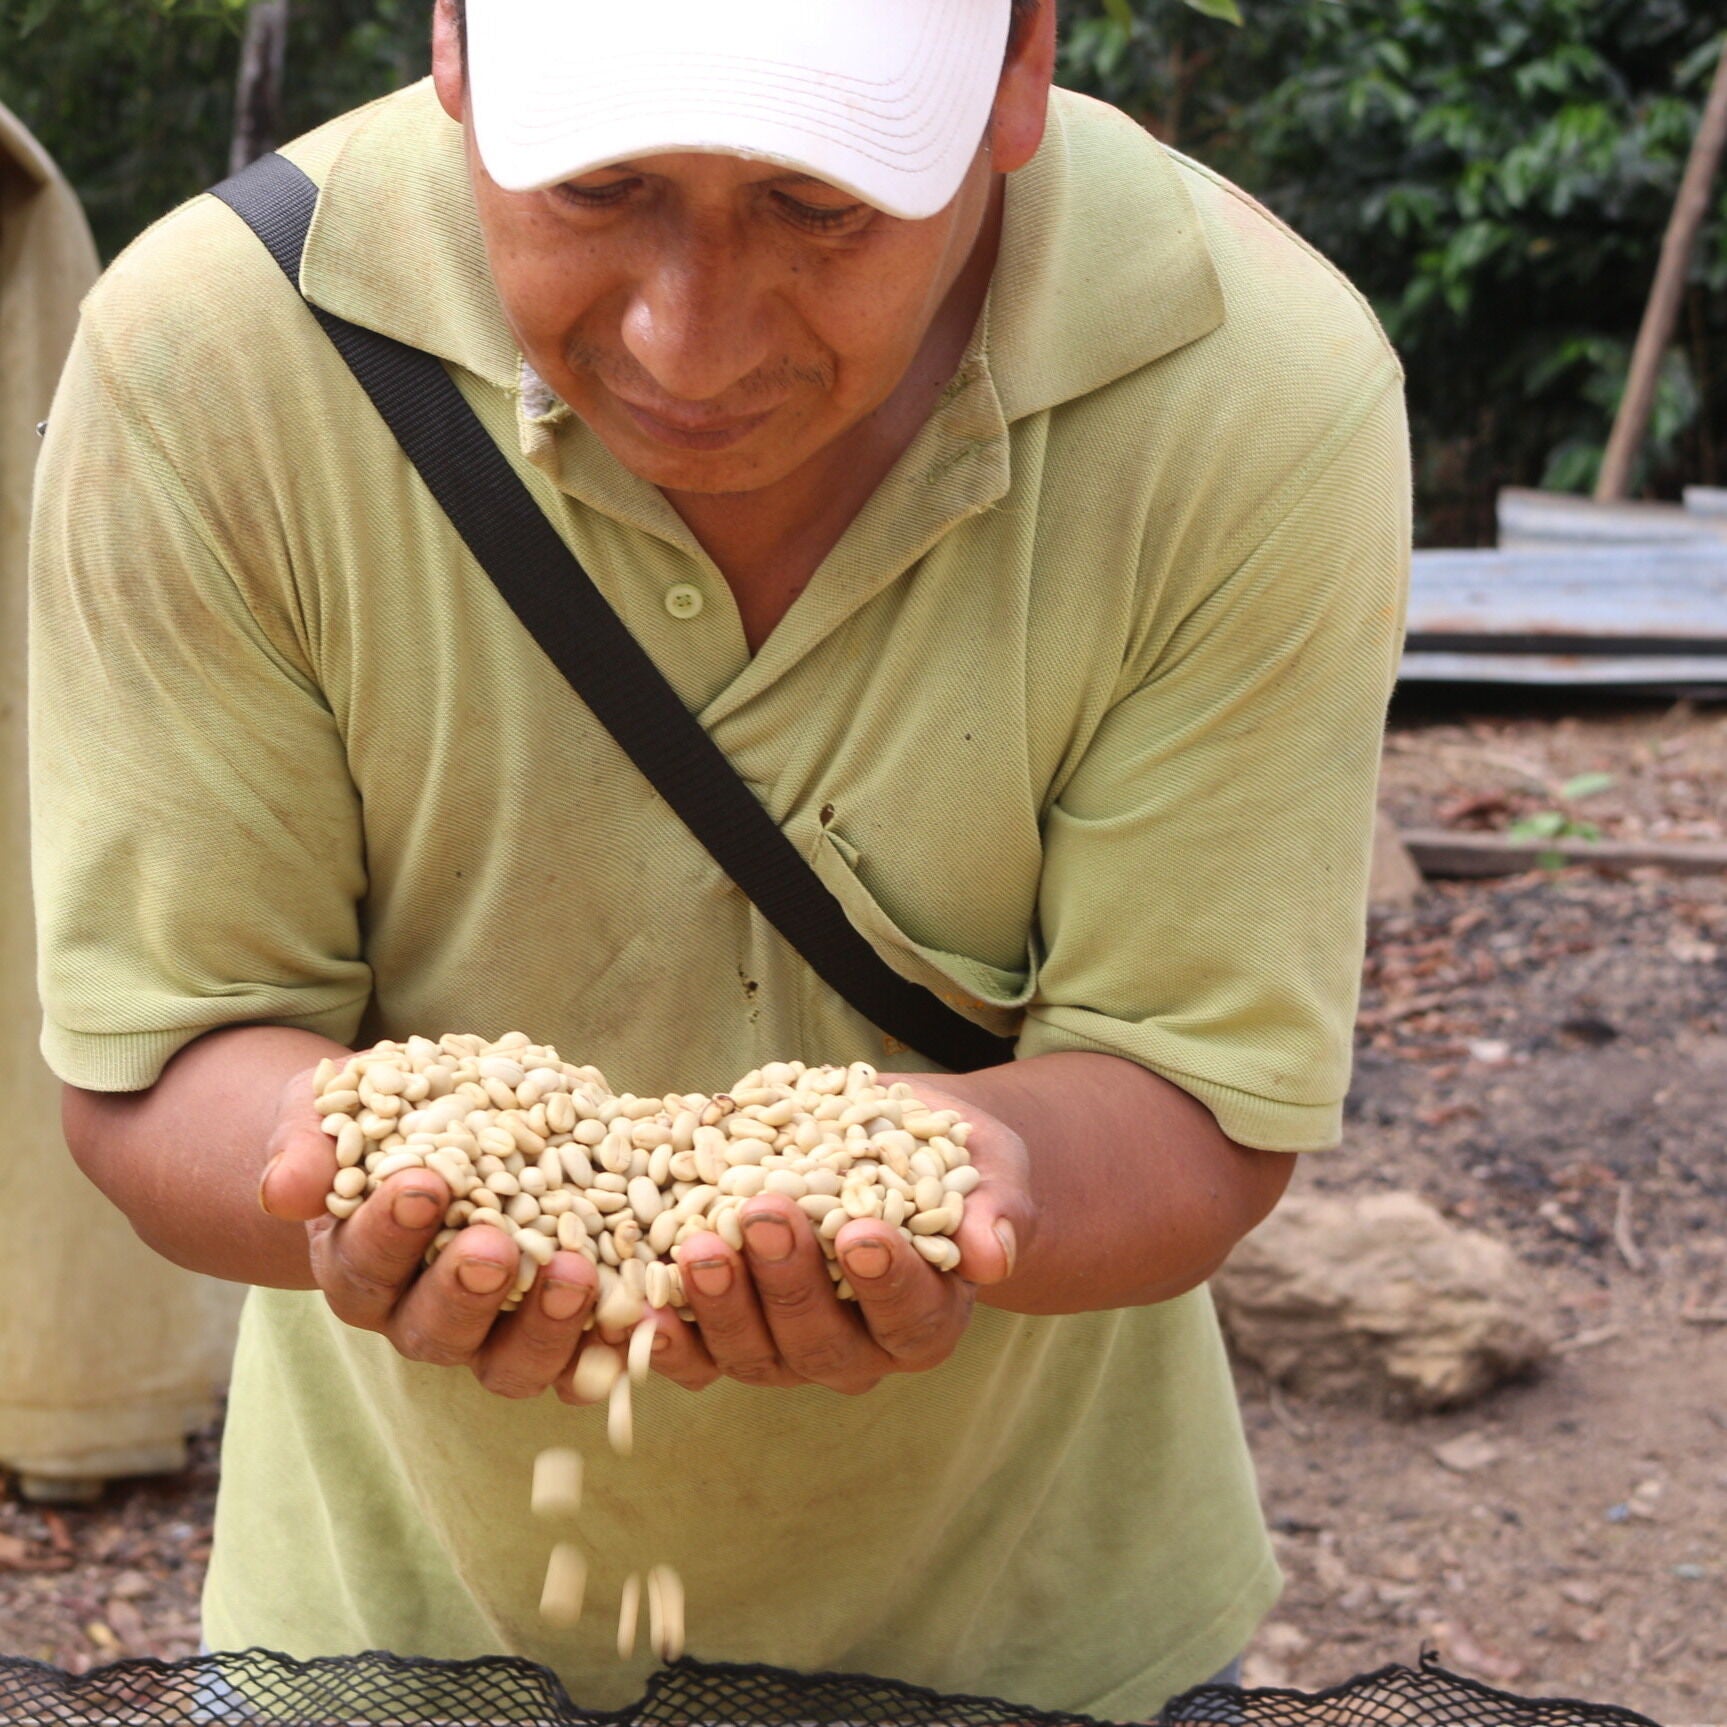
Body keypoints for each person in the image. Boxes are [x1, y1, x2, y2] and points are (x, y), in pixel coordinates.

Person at [29, 0, 1408, 1712]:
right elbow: (164, 1050)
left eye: (819, 207)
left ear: (1019, 68)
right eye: (600, 188)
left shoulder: (1246, 383)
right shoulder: (214, 358)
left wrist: (975, 1184)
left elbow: (1198, 1091)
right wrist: (363, 1179)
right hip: (394, 1632)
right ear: (453, 45)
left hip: (1033, 1636)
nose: (690, 341)